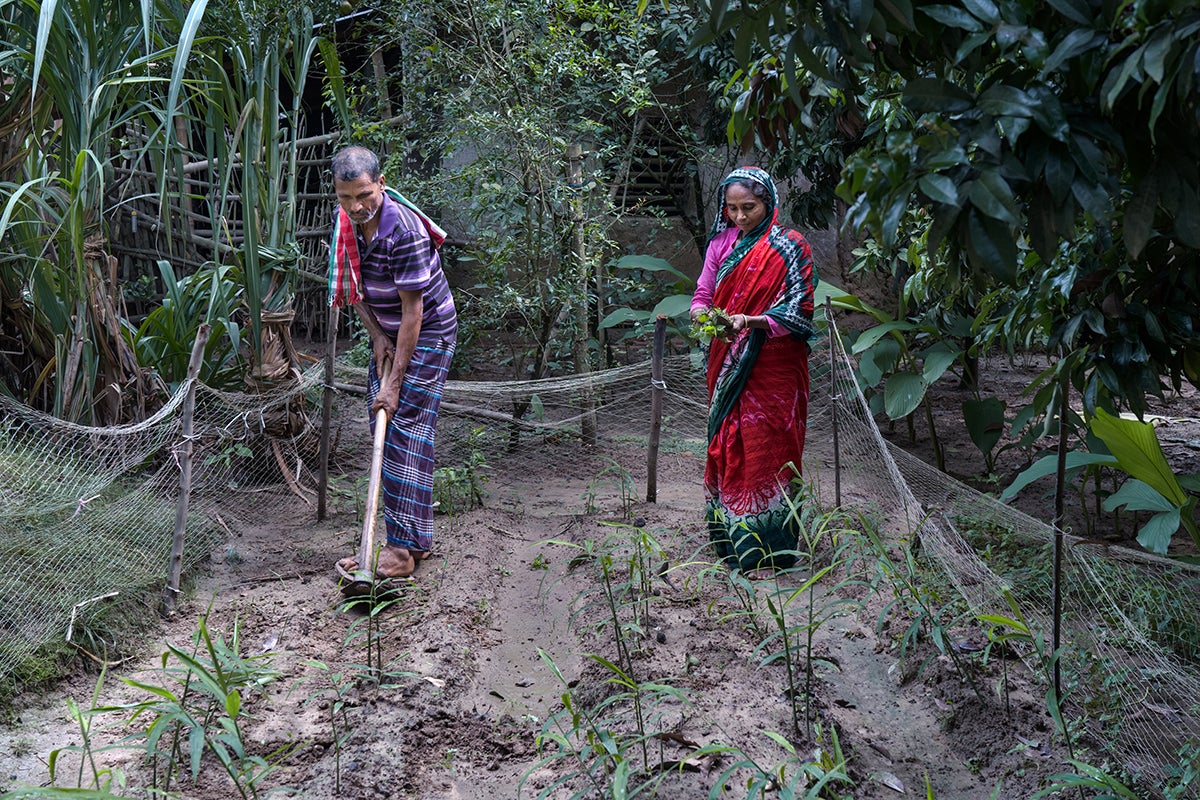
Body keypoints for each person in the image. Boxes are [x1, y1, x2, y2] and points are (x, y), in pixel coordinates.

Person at [328, 145, 457, 579]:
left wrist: (395, 383)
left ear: (381, 184)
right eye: (346, 198)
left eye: (364, 195)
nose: (356, 206)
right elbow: (352, 286)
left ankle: (400, 551)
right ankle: (414, 542)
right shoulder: (347, 225)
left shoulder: (404, 231)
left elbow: (414, 313)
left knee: (403, 428)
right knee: (384, 423)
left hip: (428, 331)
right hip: (389, 330)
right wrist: (377, 336)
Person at [691, 166, 818, 576]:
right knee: (729, 444)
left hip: (775, 368)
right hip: (727, 362)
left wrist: (750, 321)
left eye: (750, 207)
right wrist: (704, 318)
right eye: (732, 209)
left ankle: (776, 553)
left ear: (769, 203)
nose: (740, 217)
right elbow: (703, 295)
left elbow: (799, 309)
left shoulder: (790, 247)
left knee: (771, 449)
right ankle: (732, 545)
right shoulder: (719, 244)